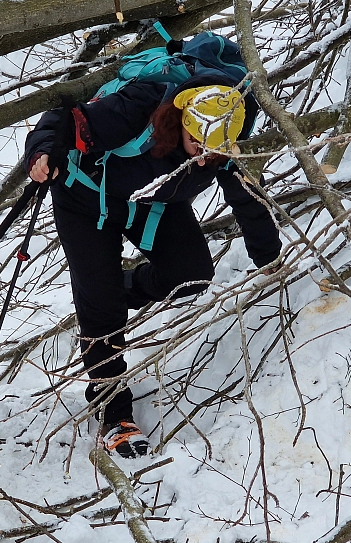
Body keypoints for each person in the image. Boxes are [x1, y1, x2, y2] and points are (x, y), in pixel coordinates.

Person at [24, 73, 282, 458]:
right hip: (86, 198)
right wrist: (43, 153)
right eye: (197, 145)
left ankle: (111, 292)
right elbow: (62, 119)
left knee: (191, 276)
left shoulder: (227, 130)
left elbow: (245, 196)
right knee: (102, 307)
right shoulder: (139, 105)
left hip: (154, 202)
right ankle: (115, 416)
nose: (204, 157)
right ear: (180, 123)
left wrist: (270, 259)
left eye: (215, 152)